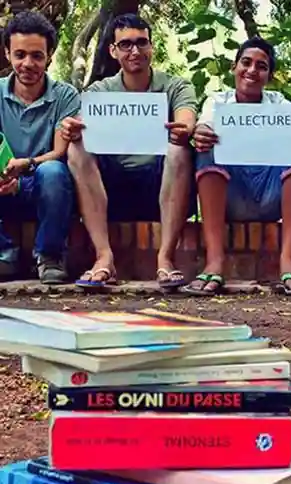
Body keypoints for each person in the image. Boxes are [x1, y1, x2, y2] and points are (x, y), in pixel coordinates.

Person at [61, 13, 197, 290]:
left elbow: (186, 119)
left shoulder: (176, 85)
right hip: (112, 187)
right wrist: (72, 129)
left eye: (141, 43)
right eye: (125, 44)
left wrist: (183, 129)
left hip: (160, 183)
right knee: (76, 148)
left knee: (180, 148)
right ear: (113, 51)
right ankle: (103, 257)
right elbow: (81, 125)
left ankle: (165, 258)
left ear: (151, 47)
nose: (135, 51)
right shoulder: (99, 90)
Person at [188, 36, 291, 296]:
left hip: (272, 197)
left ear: (269, 76)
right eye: (246, 63)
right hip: (231, 197)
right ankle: (215, 261)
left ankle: (288, 260)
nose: (252, 70)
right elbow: (204, 125)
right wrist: (201, 132)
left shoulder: (279, 103)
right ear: (234, 67)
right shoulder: (217, 102)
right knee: (205, 148)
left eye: (261, 66)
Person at [0, 11, 79, 284]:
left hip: (44, 187)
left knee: (54, 171)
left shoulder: (65, 95)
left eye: (37, 56)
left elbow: (59, 152)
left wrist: (27, 165)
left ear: (50, 56)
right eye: (20, 55)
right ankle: (4, 254)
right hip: (3, 185)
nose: (28, 64)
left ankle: (49, 256)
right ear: (7, 54)